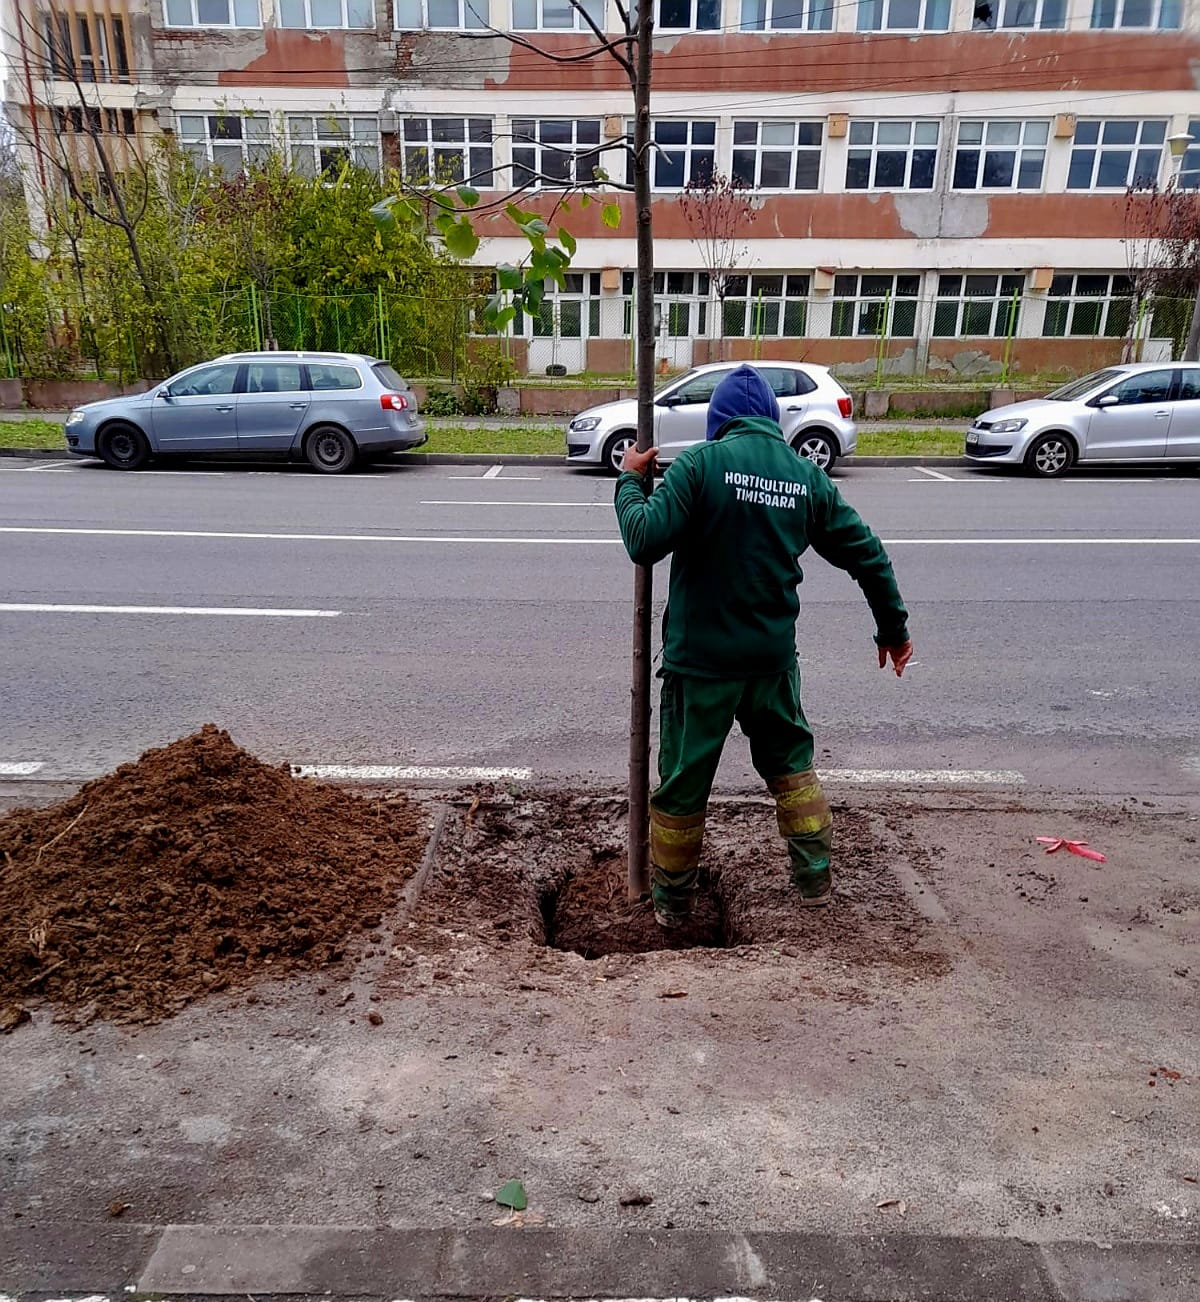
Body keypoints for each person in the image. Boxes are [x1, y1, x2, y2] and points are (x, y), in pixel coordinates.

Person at [614, 363, 913, 928]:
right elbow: (867, 553)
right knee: (793, 774)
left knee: (682, 790)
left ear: (718, 421)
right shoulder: (806, 477)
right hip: (772, 665)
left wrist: (630, 478)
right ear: (774, 422)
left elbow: (644, 539)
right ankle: (815, 879)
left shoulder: (701, 465)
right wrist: (892, 630)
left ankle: (673, 909)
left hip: (701, 666)